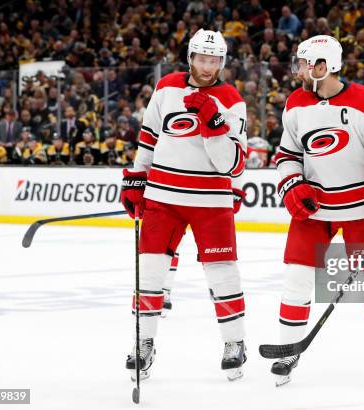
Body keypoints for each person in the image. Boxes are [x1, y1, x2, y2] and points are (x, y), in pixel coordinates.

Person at [271, 35, 364, 388]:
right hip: (316, 207)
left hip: (362, 207)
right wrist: (293, 184)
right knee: (296, 278)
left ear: (323, 66)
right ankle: (288, 348)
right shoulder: (295, 103)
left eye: (304, 63)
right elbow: (287, 155)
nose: (299, 70)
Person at [119, 29, 249, 382]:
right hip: (163, 198)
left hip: (211, 201)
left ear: (221, 62)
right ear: (190, 57)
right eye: (202, 59)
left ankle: (234, 342)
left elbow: (233, 165)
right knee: (148, 273)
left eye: (214, 61)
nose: (208, 67)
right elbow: (149, 137)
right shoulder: (166, 88)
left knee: (223, 274)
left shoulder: (231, 99)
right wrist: (136, 177)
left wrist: (214, 124)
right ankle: (143, 341)